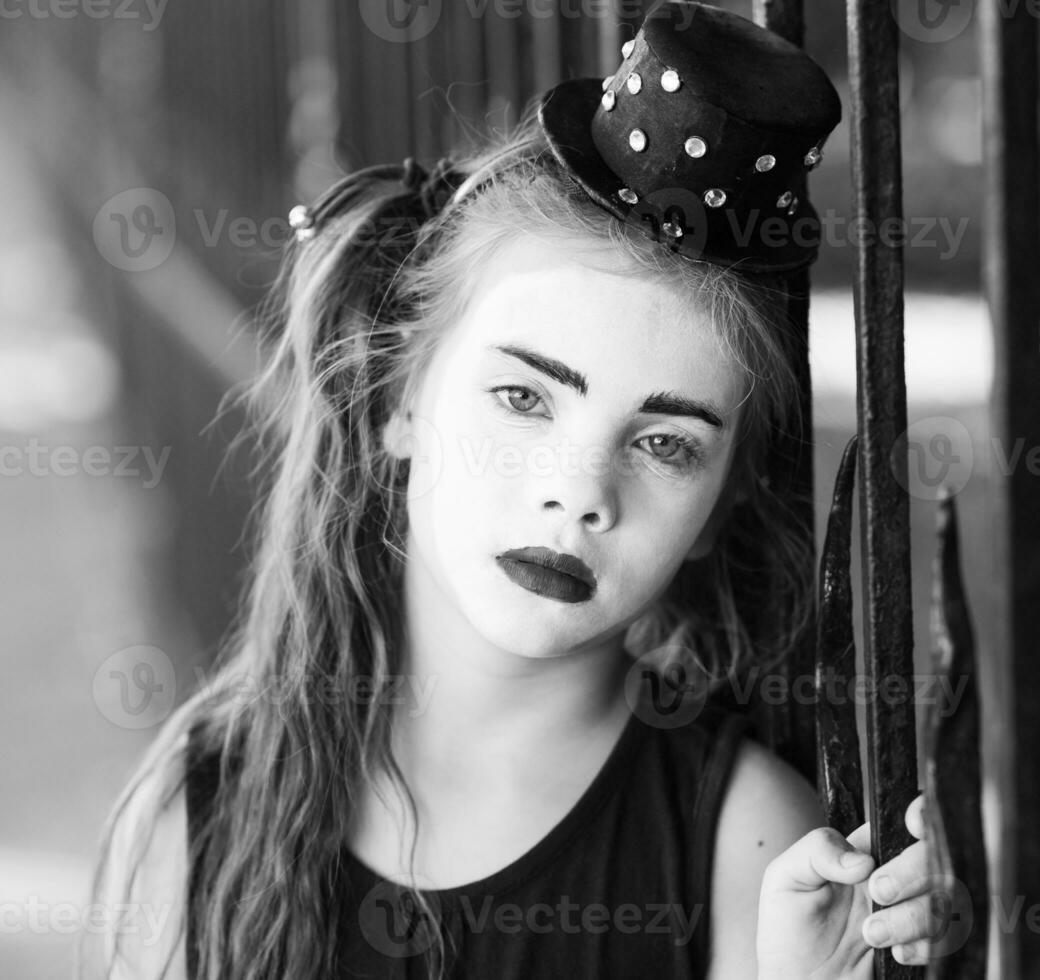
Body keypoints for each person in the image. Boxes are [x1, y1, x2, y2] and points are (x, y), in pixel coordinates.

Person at [88, 2, 948, 977]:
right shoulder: (205, 803)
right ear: (399, 400)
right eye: (521, 397)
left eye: (665, 442)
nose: (580, 492)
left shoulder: (752, 852)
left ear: (720, 504)